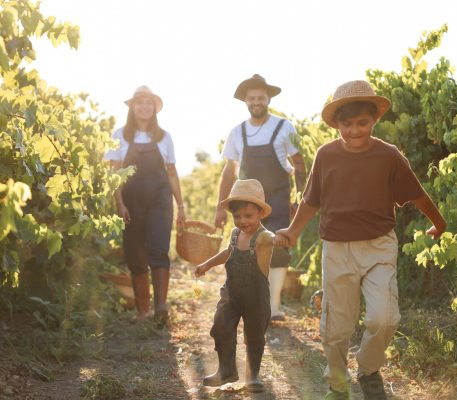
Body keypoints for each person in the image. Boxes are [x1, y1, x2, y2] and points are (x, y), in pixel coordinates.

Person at [275, 80, 447, 400]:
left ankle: (368, 370)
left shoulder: (388, 155)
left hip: (379, 246)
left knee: (384, 317)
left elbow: (416, 194)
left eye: (362, 123)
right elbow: (312, 199)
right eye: (347, 124)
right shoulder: (326, 155)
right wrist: (294, 231)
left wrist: (439, 224)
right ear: (337, 123)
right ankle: (338, 384)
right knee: (336, 327)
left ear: (374, 121)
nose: (355, 131)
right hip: (338, 248)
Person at [215, 73, 306, 321]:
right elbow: (228, 171)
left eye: (261, 97)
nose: (257, 101)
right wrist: (220, 207)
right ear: (245, 100)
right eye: (252, 97)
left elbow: (298, 164)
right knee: (248, 249)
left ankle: (274, 306)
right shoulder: (237, 133)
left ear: (268, 99)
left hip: (278, 195)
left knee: (278, 245)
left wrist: (299, 200)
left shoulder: (284, 127)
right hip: (247, 200)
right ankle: (253, 303)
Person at [105, 85, 185, 326]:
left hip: (160, 201)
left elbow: (171, 172)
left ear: (154, 108)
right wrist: (119, 203)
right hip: (131, 201)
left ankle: (161, 307)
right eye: (140, 102)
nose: (144, 107)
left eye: (149, 103)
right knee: (135, 254)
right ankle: (143, 311)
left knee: (159, 249)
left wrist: (180, 205)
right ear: (132, 107)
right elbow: (114, 173)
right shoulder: (120, 135)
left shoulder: (164, 137)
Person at [196, 179, 275, 393]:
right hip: (231, 294)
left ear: (261, 214)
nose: (242, 221)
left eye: (248, 216)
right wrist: (207, 264)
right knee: (220, 327)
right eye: (237, 216)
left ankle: (253, 376)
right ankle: (226, 369)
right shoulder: (235, 234)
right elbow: (228, 253)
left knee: (254, 335)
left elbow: (272, 239)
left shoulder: (264, 237)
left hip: (256, 298)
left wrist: (282, 237)